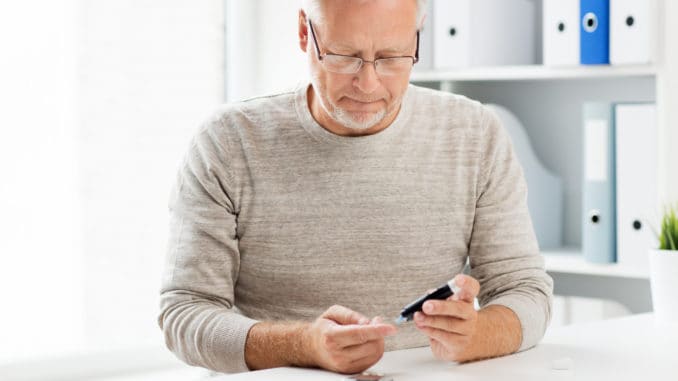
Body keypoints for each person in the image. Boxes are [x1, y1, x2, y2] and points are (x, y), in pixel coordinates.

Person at [158, 0, 553, 375]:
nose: (367, 83)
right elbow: (185, 313)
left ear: (418, 38)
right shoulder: (228, 142)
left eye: (391, 57)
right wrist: (303, 345)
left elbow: (526, 293)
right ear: (303, 32)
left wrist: (478, 335)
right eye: (344, 55)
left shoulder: (475, 133)